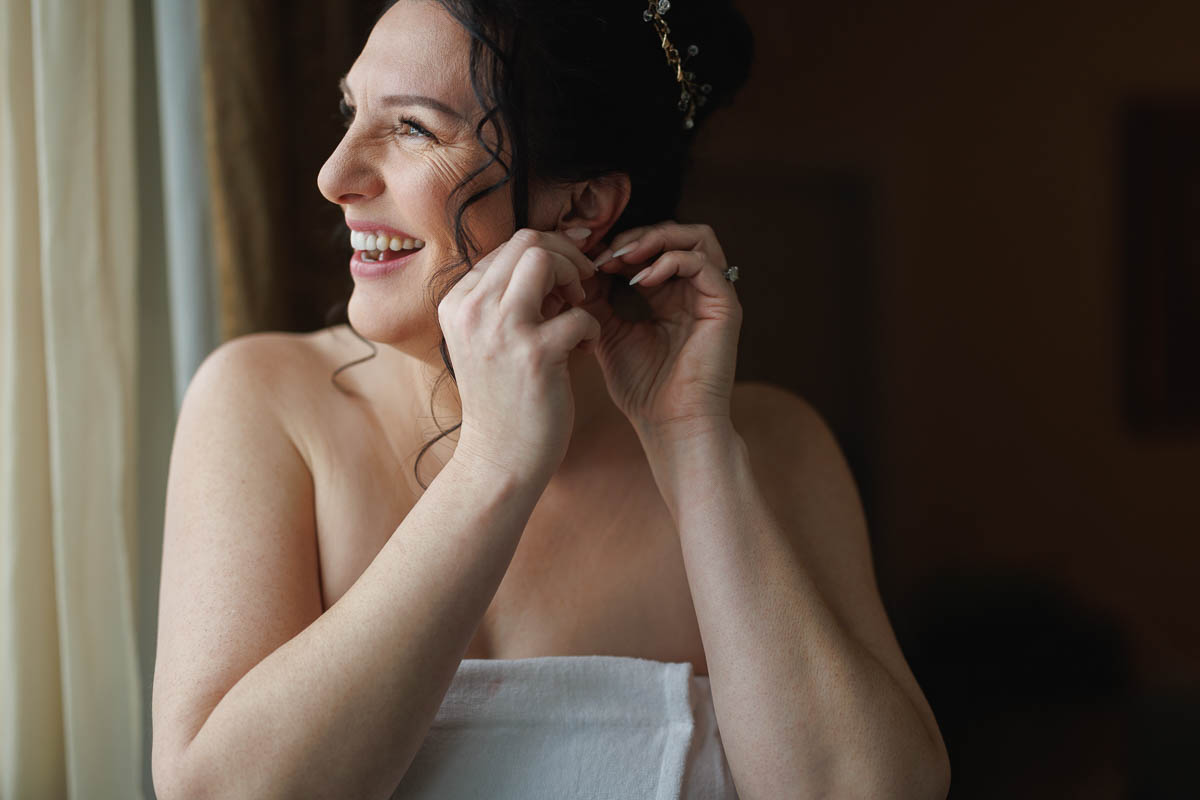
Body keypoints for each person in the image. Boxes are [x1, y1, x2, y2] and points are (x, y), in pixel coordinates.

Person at [151, 1, 951, 798]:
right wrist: (493, 465)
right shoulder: (263, 402)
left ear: (580, 207)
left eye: (413, 130)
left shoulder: (771, 444)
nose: (333, 176)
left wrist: (690, 442)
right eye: (350, 110)